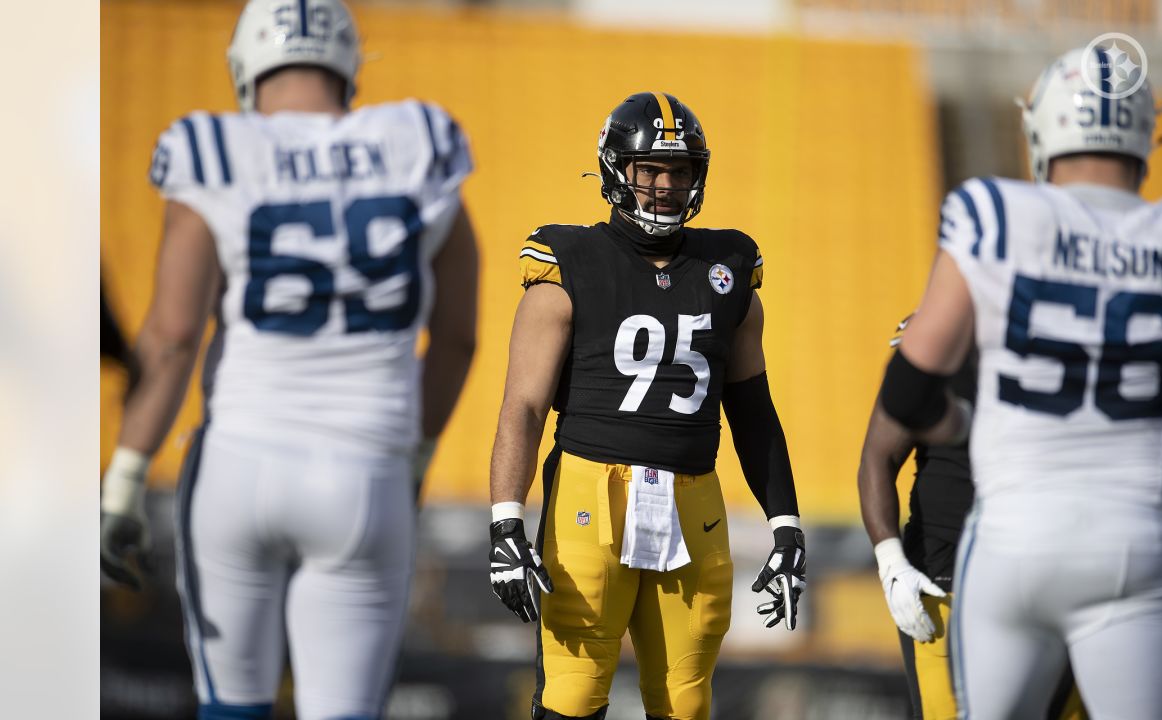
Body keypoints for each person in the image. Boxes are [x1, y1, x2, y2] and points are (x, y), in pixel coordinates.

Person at [98, 1, 478, 717]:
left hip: (239, 466)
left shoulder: (214, 149)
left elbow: (173, 335)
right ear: (351, 69)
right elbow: (457, 335)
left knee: (232, 708)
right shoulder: (417, 141)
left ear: (244, 68)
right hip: (364, 473)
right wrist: (416, 455)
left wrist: (126, 475)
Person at [866, 47, 1162, 719]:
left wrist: (957, 425)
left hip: (1016, 539)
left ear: (1043, 132)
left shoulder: (994, 217)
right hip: (1135, 539)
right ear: (1142, 135)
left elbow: (908, 394)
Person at [486, 92, 805, 720]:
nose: (664, 186)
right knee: (572, 697)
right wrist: (505, 522)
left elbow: (753, 410)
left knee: (686, 704)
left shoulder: (729, 266)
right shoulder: (567, 262)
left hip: (695, 499)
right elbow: (522, 405)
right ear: (615, 171)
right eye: (649, 170)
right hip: (588, 493)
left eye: (679, 171)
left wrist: (786, 524)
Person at [858, 319, 1086, 720]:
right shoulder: (942, 334)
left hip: (1058, 565)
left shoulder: (1088, 330)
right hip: (947, 568)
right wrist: (891, 561)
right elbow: (879, 456)